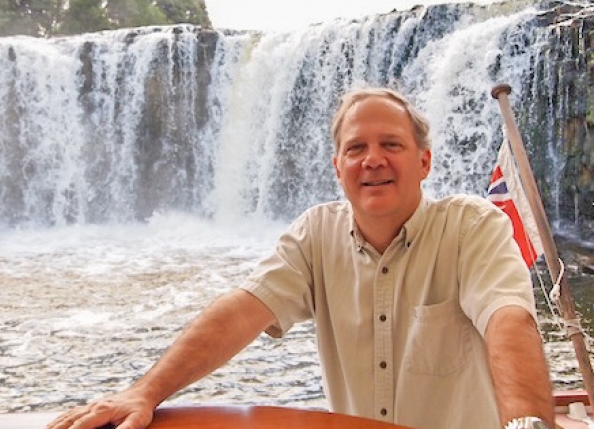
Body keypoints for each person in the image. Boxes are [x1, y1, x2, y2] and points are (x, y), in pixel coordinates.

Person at [46, 87, 556, 429]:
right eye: (356, 148)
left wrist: (527, 426)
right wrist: (146, 391)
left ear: (424, 161)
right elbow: (242, 311)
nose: (372, 159)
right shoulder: (317, 234)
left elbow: (508, 322)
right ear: (338, 167)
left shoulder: (472, 225)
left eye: (391, 144)